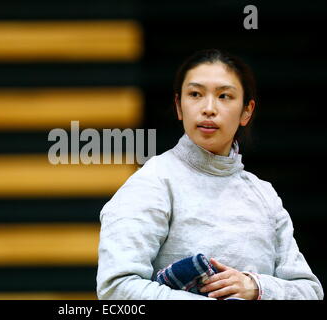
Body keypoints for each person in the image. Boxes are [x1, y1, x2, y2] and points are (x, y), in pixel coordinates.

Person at [96, 49, 324, 300]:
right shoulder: (152, 183)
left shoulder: (264, 195)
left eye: (224, 96)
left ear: (246, 111)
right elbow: (116, 288)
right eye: (195, 94)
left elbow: (310, 292)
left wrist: (256, 287)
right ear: (179, 106)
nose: (208, 108)